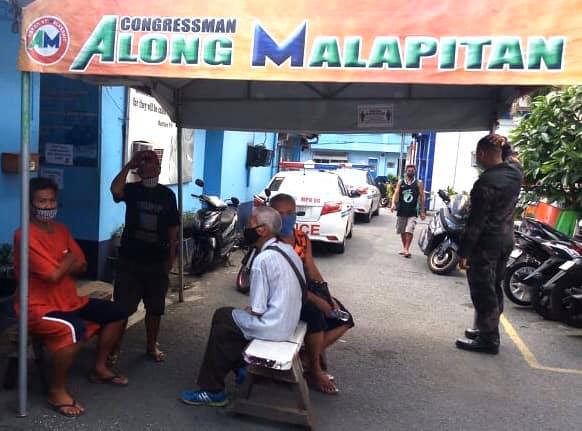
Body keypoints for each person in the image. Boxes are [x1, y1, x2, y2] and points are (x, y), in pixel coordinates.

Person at [13, 178, 128, 418]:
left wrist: (64, 262)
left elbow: (82, 264)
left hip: (70, 300)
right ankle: (56, 391)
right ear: (31, 204)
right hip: (38, 307)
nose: (47, 205)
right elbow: (54, 275)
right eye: (41, 201)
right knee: (73, 329)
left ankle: (99, 367)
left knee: (118, 312)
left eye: (52, 200)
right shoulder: (24, 235)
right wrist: (67, 259)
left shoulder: (61, 229)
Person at [180, 206, 303, 406]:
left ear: (262, 230)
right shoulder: (287, 250)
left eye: (249, 225)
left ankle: (212, 390)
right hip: (288, 322)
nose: (246, 228)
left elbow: (257, 309)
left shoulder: (263, 259)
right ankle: (240, 366)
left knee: (223, 323)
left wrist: (249, 311)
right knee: (226, 317)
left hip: (273, 327)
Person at [270, 193, 354, 395]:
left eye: (290, 213)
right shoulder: (270, 240)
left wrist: (327, 295)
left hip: (305, 290)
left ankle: (304, 360)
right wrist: (317, 300)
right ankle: (315, 370)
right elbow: (284, 284)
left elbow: (311, 267)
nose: (286, 217)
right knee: (316, 314)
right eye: (280, 214)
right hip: (282, 298)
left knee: (343, 317)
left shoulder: (300, 236)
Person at [455, 134, 523, 354]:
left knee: (483, 290)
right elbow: (511, 156)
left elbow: (476, 223)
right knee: (494, 287)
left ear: (483, 154)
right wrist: (503, 142)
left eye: (478, 155)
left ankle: (488, 340)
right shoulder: (515, 174)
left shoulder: (485, 183)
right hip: (505, 241)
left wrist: (464, 253)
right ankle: (487, 328)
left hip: (487, 245)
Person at [110, 149, 180, 362]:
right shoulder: (131, 190)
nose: (145, 166)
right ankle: (113, 349)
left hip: (156, 262)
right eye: (142, 162)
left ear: (158, 168)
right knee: (122, 308)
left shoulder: (167, 195)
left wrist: (171, 259)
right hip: (130, 261)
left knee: (155, 309)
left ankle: (151, 346)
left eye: (149, 162)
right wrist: (128, 165)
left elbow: (173, 230)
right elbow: (115, 190)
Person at [391, 164, 426, 257]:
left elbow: (422, 197)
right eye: (409, 171)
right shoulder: (401, 182)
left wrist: (422, 211)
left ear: (415, 172)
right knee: (402, 231)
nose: (410, 172)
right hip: (402, 210)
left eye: (412, 171)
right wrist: (393, 204)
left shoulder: (419, 183)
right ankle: (405, 248)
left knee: (409, 230)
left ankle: (406, 249)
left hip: (413, 211)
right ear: (406, 172)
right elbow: (396, 193)